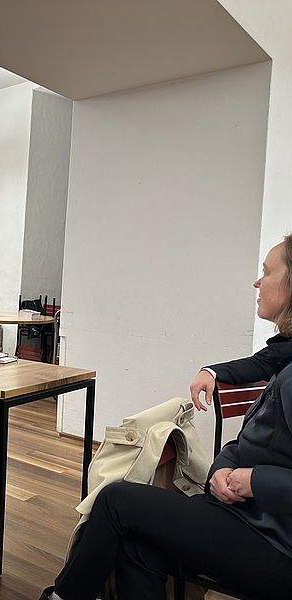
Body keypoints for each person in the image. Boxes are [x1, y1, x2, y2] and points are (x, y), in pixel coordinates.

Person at [40, 235, 292, 600]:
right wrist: (222, 468)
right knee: (136, 548)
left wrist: (256, 480)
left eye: (267, 272)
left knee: (115, 499)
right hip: (251, 518)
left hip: (275, 543)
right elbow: (244, 440)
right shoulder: (285, 359)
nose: (257, 282)